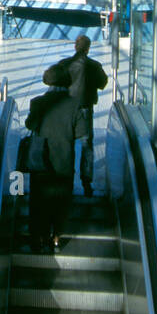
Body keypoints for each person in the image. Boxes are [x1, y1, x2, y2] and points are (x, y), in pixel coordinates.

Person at [24, 63, 78, 252]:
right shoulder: (75, 105)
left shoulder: (37, 102)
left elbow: (30, 125)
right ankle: (56, 237)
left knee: (39, 201)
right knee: (61, 202)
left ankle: (38, 238)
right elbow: (81, 133)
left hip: (41, 161)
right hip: (64, 162)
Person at [59, 34, 108, 196]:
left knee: (67, 144)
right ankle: (86, 183)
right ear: (88, 49)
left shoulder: (65, 64)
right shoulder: (94, 66)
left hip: (67, 110)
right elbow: (103, 83)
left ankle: (66, 181)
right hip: (85, 109)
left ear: (75, 47)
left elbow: (51, 80)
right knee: (87, 145)